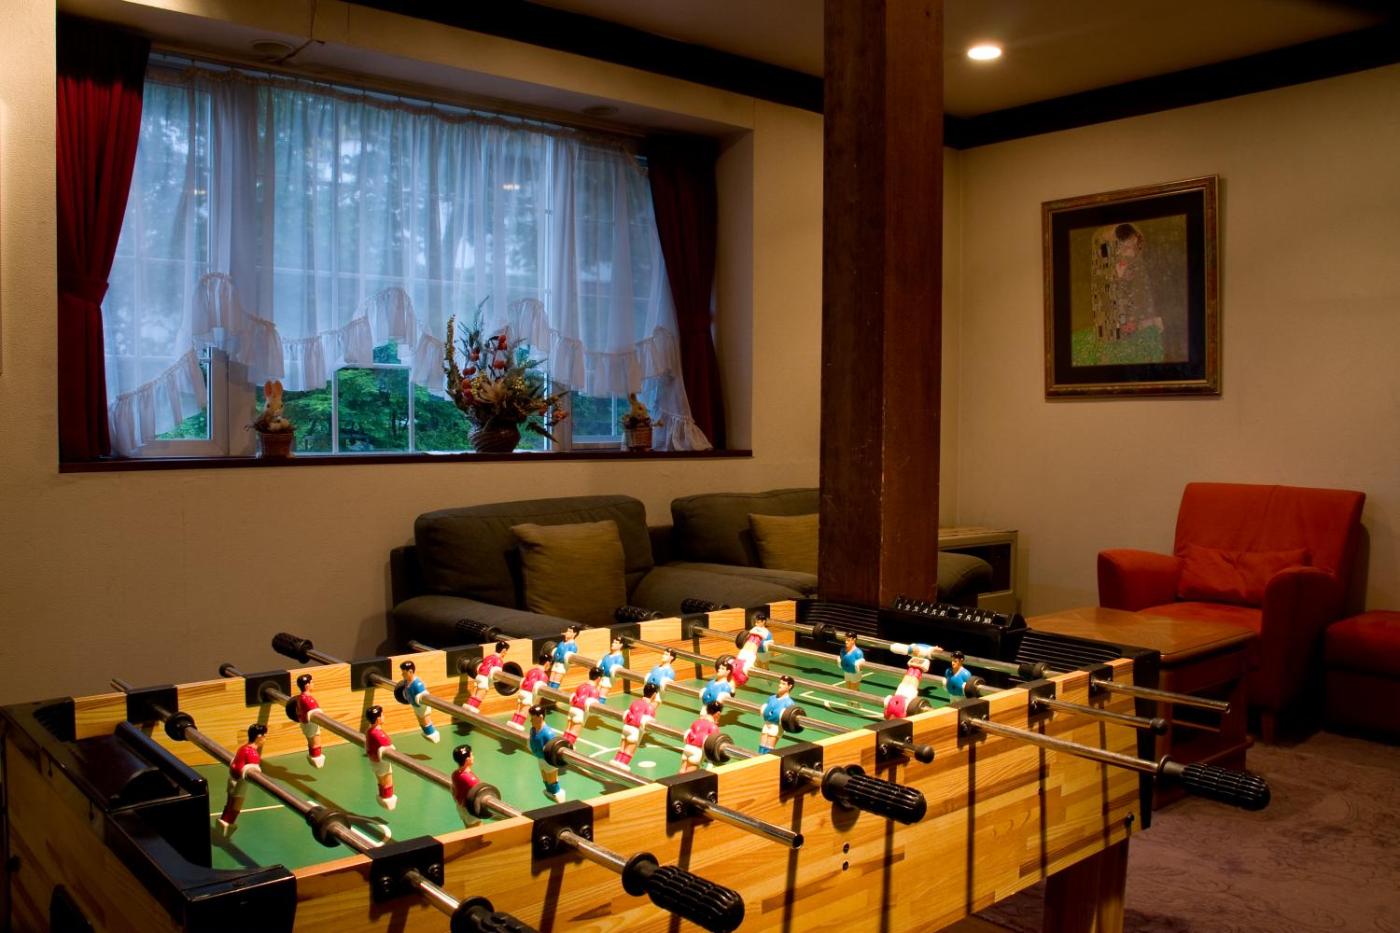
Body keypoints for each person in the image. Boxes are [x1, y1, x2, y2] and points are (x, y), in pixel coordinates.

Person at [217, 723, 267, 837]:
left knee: (230, 803)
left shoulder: (243, 748)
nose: (265, 739)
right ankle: (227, 824)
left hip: (232, 778)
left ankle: (224, 821)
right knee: (236, 805)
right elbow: (253, 771)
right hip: (240, 782)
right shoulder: (253, 753)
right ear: (259, 737)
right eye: (264, 736)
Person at [612, 682, 659, 767]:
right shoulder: (650, 707)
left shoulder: (635, 702)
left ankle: (614, 765)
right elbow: (648, 723)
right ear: (654, 695)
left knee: (621, 749)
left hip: (626, 728)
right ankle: (620, 769)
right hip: (634, 731)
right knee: (629, 752)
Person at [528, 705, 566, 802]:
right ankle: (550, 791)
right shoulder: (533, 730)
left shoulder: (548, 733)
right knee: (544, 777)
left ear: (540, 717)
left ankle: (557, 794)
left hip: (548, 761)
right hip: (540, 758)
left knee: (551, 778)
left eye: (533, 718)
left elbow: (553, 747)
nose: (530, 720)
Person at [398, 659, 440, 743]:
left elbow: (424, 693)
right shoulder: (406, 682)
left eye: (404, 673)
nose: (402, 675)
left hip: (421, 706)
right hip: (415, 705)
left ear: (410, 672)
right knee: (420, 720)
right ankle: (427, 732)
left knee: (425, 720)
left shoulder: (417, 683)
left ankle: (432, 734)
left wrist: (420, 696)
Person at [365, 705, 398, 810]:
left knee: (382, 781)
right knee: (387, 781)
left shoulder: (369, 731)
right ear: (378, 719)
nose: (384, 717)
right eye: (382, 715)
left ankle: (384, 796)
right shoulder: (379, 734)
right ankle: (387, 798)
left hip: (374, 761)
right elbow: (389, 746)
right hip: (381, 762)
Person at [510, 650, 552, 730]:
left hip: (522, 692)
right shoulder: (543, 675)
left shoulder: (531, 671)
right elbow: (540, 690)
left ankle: (511, 726)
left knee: (518, 710)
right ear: (547, 663)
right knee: (524, 712)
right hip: (528, 695)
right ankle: (516, 729)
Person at [730, 612, 773, 687]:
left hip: (763, 652)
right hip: (755, 652)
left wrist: (764, 642)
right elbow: (750, 633)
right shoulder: (755, 628)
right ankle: (762, 676)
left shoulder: (767, 632)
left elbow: (768, 641)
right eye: (756, 622)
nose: (756, 624)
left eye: (758, 622)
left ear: (763, 622)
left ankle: (768, 678)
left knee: (765, 666)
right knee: (758, 664)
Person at [565, 666, 604, 745]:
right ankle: (568, 748)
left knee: (568, 731)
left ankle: (563, 745)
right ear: (599, 678)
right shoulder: (594, 690)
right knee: (573, 734)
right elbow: (594, 707)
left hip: (572, 710)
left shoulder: (581, 686)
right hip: (580, 713)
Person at [680, 702, 723, 773]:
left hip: (687, 748)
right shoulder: (714, 727)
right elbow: (714, 745)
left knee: (682, 771)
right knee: (689, 776)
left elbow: (688, 734)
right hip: (697, 752)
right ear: (718, 714)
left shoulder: (697, 722)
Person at [293, 673, 325, 768]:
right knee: (315, 741)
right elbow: (316, 712)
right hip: (310, 724)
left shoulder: (301, 697)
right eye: (312, 682)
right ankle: (316, 758)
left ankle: (314, 756)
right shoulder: (308, 699)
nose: (313, 684)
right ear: (307, 685)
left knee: (312, 741)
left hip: (306, 723)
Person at [760, 676, 796, 753]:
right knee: (762, 746)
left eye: (783, 684)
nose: (780, 685)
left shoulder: (789, 703)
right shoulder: (772, 698)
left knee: (769, 748)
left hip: (776, 727)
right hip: (767, 723)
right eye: (780, 683)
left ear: (789, 686)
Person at [468, 641, 510, 710]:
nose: (506, 653)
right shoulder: (498, 660)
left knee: (474, 695)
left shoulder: (488, 657)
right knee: (479, 697)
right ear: (503, 650)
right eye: (506, 651)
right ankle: (471, 711)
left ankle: (468, 708)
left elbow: (481, 667)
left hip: (478, 677)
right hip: (485, 679)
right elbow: (496, 674)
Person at [451, 744, 481, 828]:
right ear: (467, 760)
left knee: (469, 828)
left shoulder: (455, 774)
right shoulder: (472, 780)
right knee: (479, 832)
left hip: (461, 808)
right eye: (472, 755)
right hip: (470, 812)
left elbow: (453, 791)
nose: (473, 757)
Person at [597, 636, 626, 703]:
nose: (613, 644)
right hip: (601, 677)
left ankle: (599, 706)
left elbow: (615, 670)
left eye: (616, 643)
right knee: (595, 694)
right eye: (613, 642)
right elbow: (601, 666)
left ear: (621, 645)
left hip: (608, 679)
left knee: (601, 696)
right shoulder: (607, 656)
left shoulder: (619, 658)